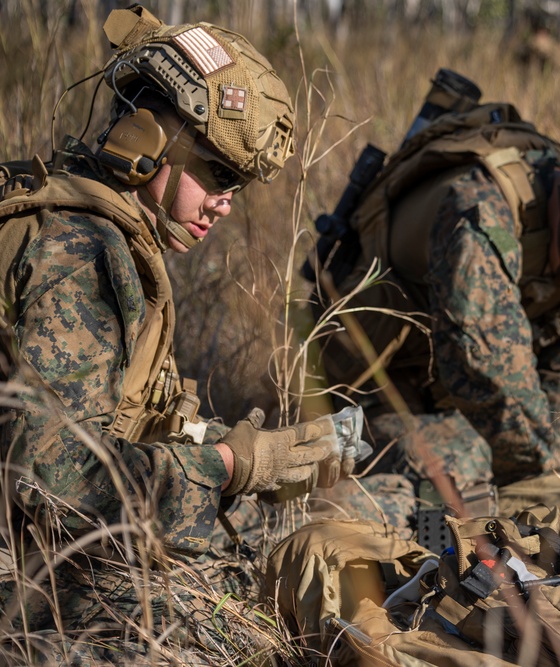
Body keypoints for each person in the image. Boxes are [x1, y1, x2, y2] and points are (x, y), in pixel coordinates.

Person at [0, 6, 364, 662]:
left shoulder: (108, 237)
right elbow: (59, 488)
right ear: (145, 136)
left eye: (238, 186)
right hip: (22, 577)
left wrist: (263, 455)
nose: (226, 202)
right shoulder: (77, 252)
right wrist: (228, 468)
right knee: (231, 630)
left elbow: (123, 427)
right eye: (219, 173)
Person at [309, 79, 560, 522]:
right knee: (462, 459)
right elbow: (487, 376)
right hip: (379, 394)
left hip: (484, 389)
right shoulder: (482, 212)